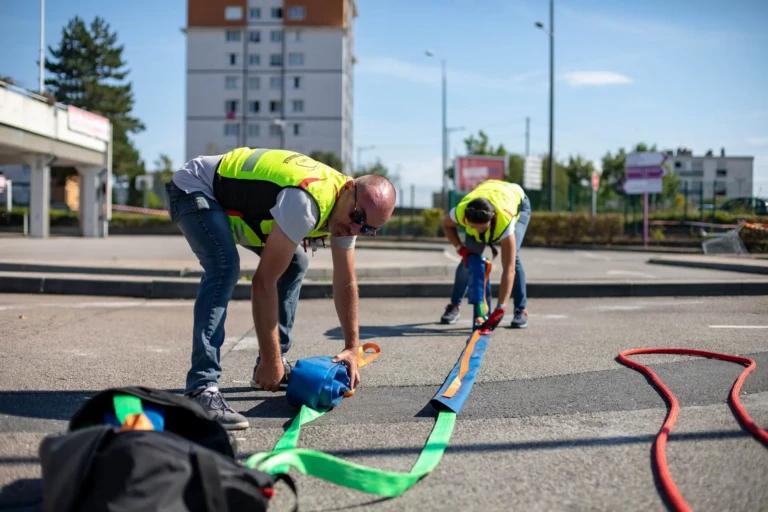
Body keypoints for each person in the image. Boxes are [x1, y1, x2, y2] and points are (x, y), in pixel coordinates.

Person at [165, 147, 396, 430]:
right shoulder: (307, 202)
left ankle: (271, 363)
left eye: (368, 229)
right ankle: (201, 388)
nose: (356, 228)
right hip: (196, 187)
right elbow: (263, 282)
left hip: (236, 204)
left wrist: (350, 348)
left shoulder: (349, 210)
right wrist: (271, 358)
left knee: (294, 263)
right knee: (223, 268)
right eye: (357, 217)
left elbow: (345, 280)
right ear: (348, 188)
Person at [439, 179, 531, 330]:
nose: (477, 231)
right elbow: (447, 225)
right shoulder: (461, 211)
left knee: (514, 259)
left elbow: (509, 269)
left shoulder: (504, 220)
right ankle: (454, 305)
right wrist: (460, 248)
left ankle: (521, 309)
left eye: (481, 228)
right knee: (468, 261)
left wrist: (501, 307)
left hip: (517, 201)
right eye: (472, 227)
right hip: (489, 192)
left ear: (492, 219)